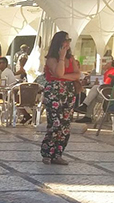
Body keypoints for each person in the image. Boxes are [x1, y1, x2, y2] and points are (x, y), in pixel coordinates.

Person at [40, 31, 81, 165]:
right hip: (54, 91)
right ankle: (47, 152)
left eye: (69, 40)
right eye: (66, 40)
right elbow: (58, 72)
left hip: (68, 92)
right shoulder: (52, 59)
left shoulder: (72, 59)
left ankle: (58, 154)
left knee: (65, 125)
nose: (68, 42)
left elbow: (76, 75)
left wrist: (63, 77)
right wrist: (62, 58)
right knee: (55, 123)